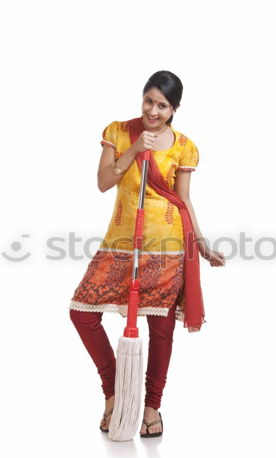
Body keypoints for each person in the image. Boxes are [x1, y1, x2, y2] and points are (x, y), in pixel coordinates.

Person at [69, 70, 225, 437]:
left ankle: (152, 407)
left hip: (168, 245)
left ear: (175, 109)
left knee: (161, 327)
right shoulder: (119, 132)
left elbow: (183, 198)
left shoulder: (185, 146)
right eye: (149, 101)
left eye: (162, 105)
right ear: (142, 98)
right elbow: (104, 183)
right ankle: (113, 394)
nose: (153, 110)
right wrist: (136, 150)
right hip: (120, 243)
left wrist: (201, 244)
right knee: (82, 312)